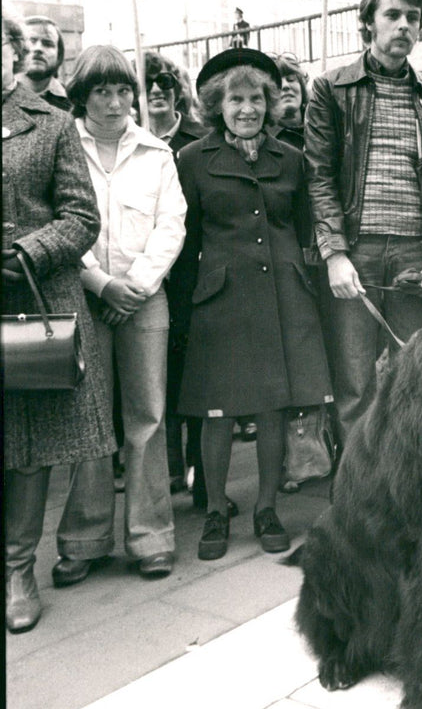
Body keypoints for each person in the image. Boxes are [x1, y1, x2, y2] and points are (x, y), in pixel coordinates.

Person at [171, 48, 332, 559]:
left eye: (257, 99)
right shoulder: (193, 160)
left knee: (271, 410)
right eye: (236, 99)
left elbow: (307, 227)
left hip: (285, 296)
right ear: (218, 106)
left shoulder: (292, 158)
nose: (247, 109)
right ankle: (216, 510)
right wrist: (185, 309)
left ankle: (266, 509)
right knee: (216, 412)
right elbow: (187, 236)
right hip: (221, 300)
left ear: (271, 104)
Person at [304, 0, 422, 446]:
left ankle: (407, 483)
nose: (403, 26)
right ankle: (353, 492)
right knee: (354, 384)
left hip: (416, 255)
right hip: (357, 252)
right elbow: (318, 176)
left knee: (414, 380)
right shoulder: (331, 89)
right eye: (392, 15)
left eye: (412, 18)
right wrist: (334, 254)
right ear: (367, 25)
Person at [54, 47, 186, 585]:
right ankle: (84, 538)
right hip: (84, 295)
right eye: (102, 92)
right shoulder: (63, 146)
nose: (114, 103)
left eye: (122, 91)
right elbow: (59, 216)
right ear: (81, 97)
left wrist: (136, 285)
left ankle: (151, 537)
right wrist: (100, 284)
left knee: (148, 417)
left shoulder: (157, 153)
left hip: (143, 297)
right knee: (89, 417)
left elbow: (171, 225)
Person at [3, 13, 116, 632]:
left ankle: (19, 570)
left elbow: (80, 216)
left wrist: (28, 252)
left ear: (14, 54)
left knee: (25, 443)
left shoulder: (50, 124)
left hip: (33, 299)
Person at [143, 51, 207, 496]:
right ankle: (166, 469)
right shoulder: (129, 140)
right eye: (146, 82)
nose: (156, 89)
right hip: (141, 273)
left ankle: (200, 469)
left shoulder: (197, 140)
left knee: (193, 374)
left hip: (189, 274)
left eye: (164, 80)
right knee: (153, 382)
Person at [20, 15, 71, 110]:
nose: (38, 48)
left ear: (59, 56)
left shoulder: (74, 102)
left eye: (48, 44)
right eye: (31, 41)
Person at [275, 52, 309, 151]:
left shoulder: (321, 127)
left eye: (291, 79)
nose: (285, 86)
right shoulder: (262, 140)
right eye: (277, 82)